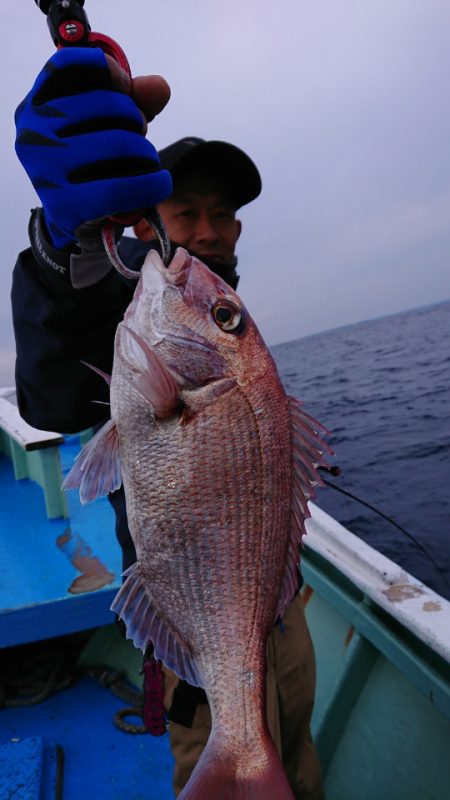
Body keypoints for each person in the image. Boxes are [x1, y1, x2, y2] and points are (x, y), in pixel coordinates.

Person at [12, 47, 324, 800]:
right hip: (188, 618)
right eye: (189, 211)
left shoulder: (213, 327)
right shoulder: (124, 314)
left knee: (299, 763)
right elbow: (52, 395)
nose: (211, 231)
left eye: (225, 215)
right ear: (150, 220)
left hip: (281, 612)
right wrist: (62, 254)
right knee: (218, 747)